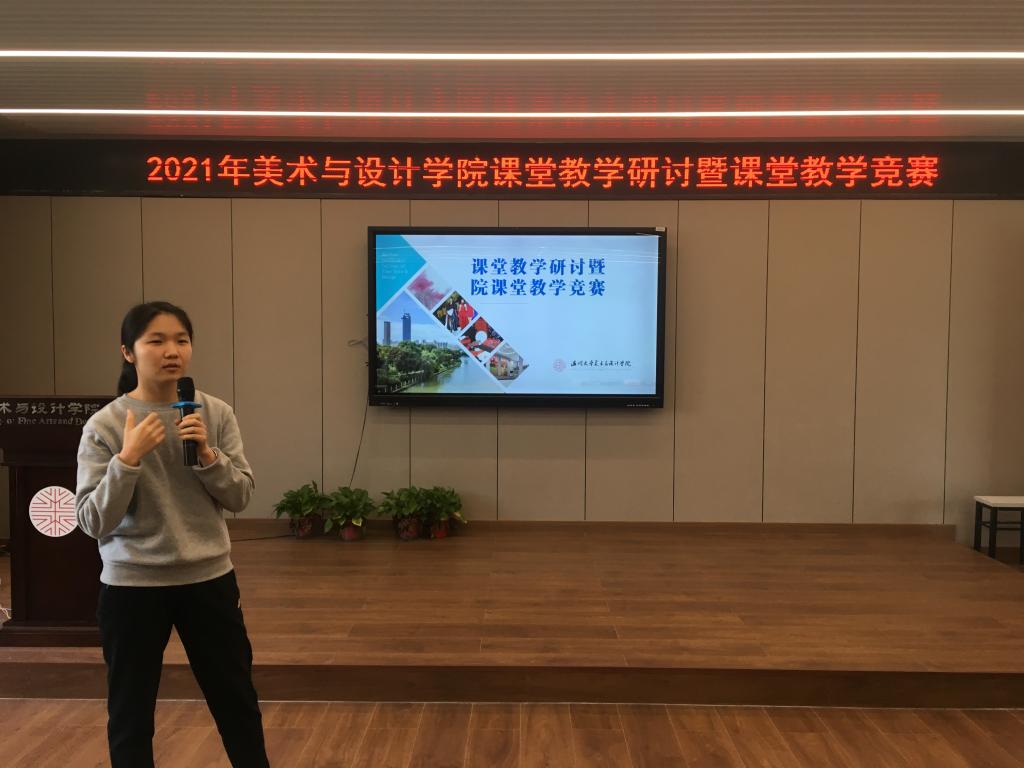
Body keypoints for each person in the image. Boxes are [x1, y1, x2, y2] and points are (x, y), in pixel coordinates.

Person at [75, 301, 270, 768]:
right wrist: (127, 461)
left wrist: (207, 455)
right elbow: (92, 520)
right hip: (132, 587)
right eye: (156, 341)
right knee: (130, 713)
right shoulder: (105, 425)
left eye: (181, 340)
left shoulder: (214, 412)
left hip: (208, 580)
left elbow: (241, 496)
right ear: (128, 351)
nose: (172, 351)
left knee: (236, 703)